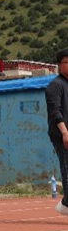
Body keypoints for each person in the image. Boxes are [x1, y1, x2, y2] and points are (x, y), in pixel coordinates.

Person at [45, 48, 68, 217]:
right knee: (67, 171)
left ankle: (65, 204)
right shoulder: (55, 85)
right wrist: (64, 132)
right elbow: (55, 111)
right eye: (67, 62)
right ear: (59, 65)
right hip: (62, 136)